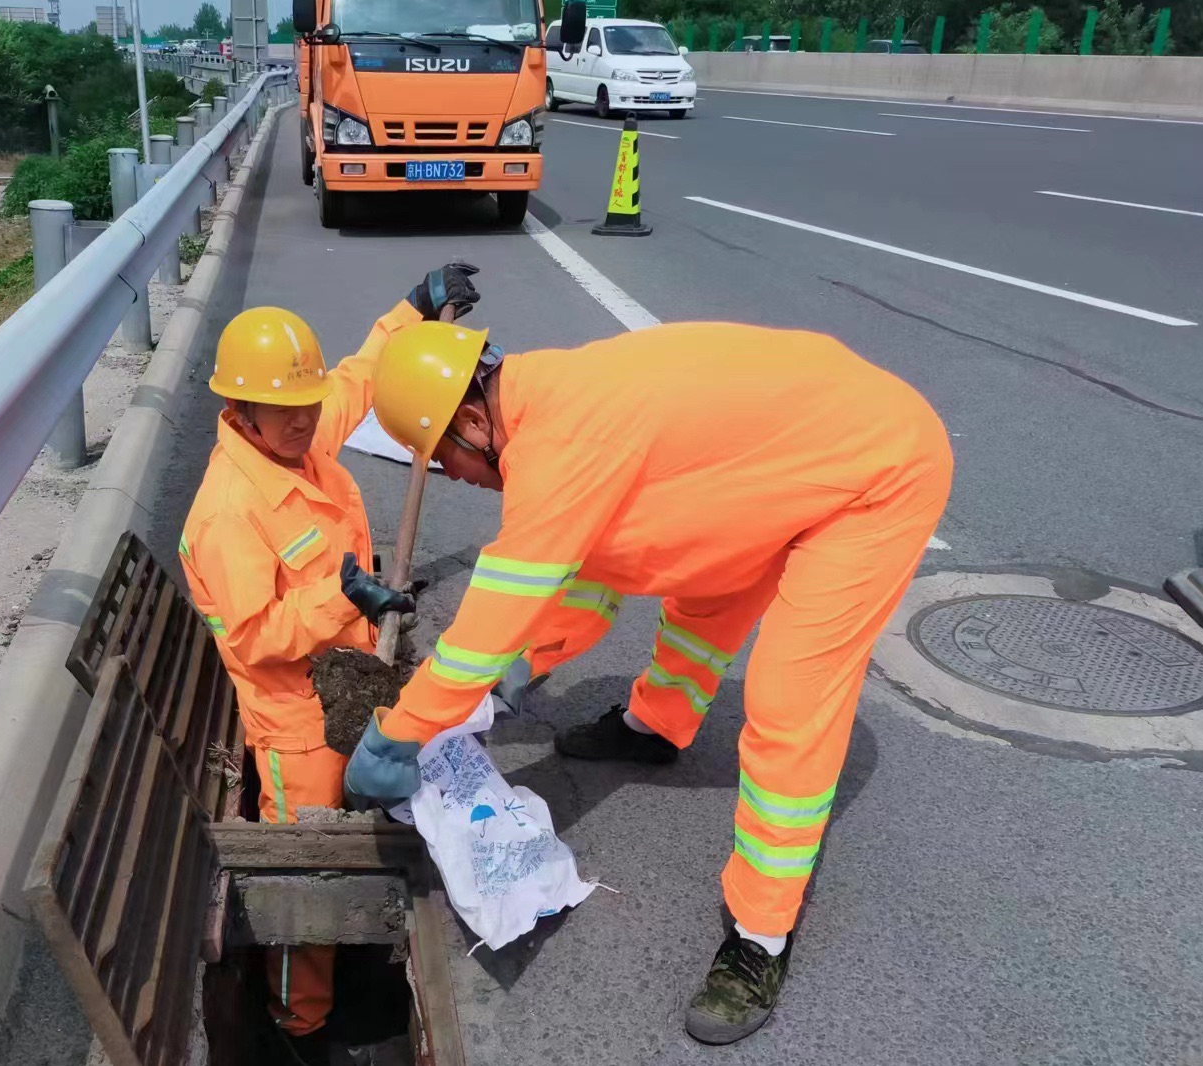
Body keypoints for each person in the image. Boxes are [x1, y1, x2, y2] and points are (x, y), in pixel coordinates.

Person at [344, 319, 952, 1045]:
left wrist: (399, 735)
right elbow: (598, 565)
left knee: (793, 701)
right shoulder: (547, 403)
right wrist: (526, 665)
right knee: (698, 571)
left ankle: (760, 938)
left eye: (448, 463)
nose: (461, 481)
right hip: (790, 452)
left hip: (877, 471)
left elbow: (488, 619)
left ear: (474, 420)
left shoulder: (561, 444)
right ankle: (657, 725)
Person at [178, 265, 481, 1060]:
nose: (303, 421)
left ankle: (347, 980)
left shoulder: (300, 438)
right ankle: (298, 1027)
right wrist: (348, 599)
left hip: (345, 689)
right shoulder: (229, 510)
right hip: (292, 727)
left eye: (305, 407)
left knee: (354, 854)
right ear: (237, 410)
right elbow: (254, 636)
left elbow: (352, 378)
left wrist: (411, 311)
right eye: (282, 411)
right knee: (305, 889)